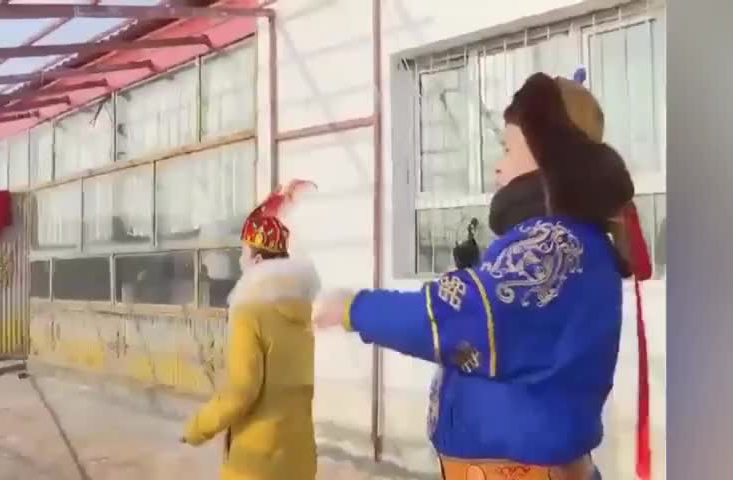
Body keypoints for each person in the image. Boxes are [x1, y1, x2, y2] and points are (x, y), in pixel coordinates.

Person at [313, 73, 652, 480]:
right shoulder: (570, 243)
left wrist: (353, 308)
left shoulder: (554, 246)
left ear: (549, 154)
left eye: (508, 149)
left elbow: (462, 316)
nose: (497, 166)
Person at [182, 180, 320, 480]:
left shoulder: (249, 312)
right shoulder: (301, 310)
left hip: (257, 463)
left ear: (257, 260)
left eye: (243, 253)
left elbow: (242, 390)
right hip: (300, 459)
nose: (240, 260)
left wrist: (198, 427)